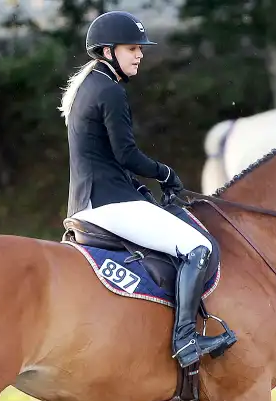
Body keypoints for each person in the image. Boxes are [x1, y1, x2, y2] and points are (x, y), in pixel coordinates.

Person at [59, 10, 236, 369]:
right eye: (131, 48)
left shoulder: (90, 85)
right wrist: (165, 173)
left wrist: (140, 185)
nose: (139, 54)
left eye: (140, 48)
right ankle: (186, 339)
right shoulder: (109, 91)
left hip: (93, 199)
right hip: (108, 203)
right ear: (107, 51)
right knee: (199, 247)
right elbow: (126, 154)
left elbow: (106, 157)